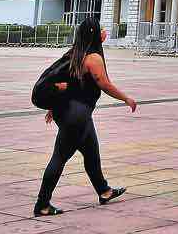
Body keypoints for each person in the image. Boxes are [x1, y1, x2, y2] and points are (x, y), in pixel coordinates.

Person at [34, 18, 137, 217]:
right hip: (77, 116)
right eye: (101, 30)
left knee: (91, 154)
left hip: (72, 113)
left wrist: (54, 107)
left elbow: (70, 85)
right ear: (94, 34)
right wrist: (127, 99)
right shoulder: (93, 58)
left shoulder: (74, 54)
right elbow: (104, 84)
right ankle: (42, 204)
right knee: (59, 157)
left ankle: (104, 191)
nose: (104, 32)